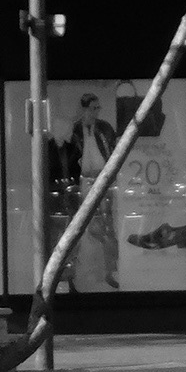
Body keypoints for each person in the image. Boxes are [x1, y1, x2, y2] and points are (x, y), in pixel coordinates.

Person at [53, 93, 121, 290]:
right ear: (84, 109)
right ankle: (72, 276)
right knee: (78, 228)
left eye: (98, 108)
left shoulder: (104, 128)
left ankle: (110, 270)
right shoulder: (74, 131)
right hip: (82, 182)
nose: (97, 112)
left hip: (103, 179)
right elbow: (67, 158)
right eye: (93, 108)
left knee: (107, 225)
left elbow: (114, 151)